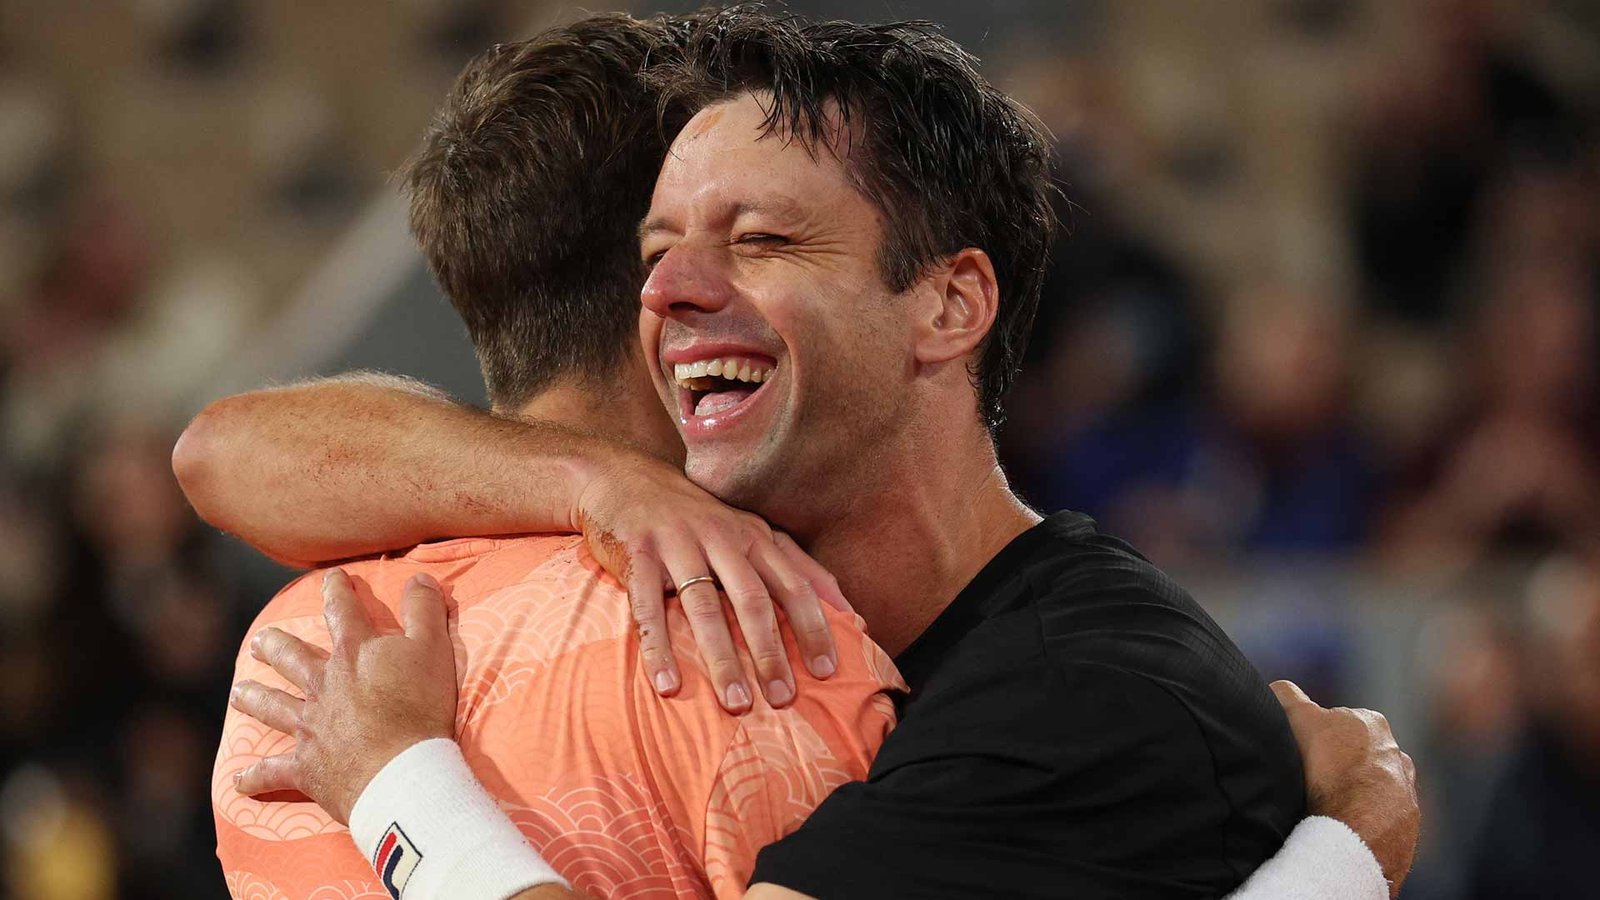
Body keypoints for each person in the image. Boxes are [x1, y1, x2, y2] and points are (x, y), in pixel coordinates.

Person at [182, 9, 1418, 899]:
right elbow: (223, 454)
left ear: (949, 307)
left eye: (761, 239)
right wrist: (593, 477)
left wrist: (401, 791)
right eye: (658, 248)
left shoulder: (1090, 703)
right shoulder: (741, 598)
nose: (668, 291)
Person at [209, 17, 901, 900]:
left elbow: (209, 451)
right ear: (672, 274)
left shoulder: (291, 659)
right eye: (761, 239)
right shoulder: (764, 640)